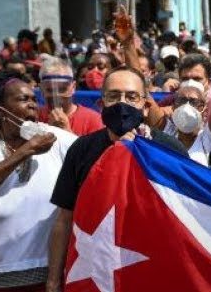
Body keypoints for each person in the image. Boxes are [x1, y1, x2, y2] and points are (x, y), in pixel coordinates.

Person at [46, 67, 184, 292]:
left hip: (154, 273)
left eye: (131, 97)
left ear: (146, 105)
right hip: (98, 274)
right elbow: (64, 219)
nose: (122, 104)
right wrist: (53, 282)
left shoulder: (169, 151)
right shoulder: (81, 149)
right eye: (113, 96)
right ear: (101, 104)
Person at [0, 70, 72, 291]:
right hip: (2, 272)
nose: (33, 105)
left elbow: (93, 156)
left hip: (53, 270)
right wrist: (26, 150)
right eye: (24, 99)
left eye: (34, 99)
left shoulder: (55, 137)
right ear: (1, 112)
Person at [37, 58, 103, 137]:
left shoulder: (94, 120)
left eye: (62, 89)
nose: (56, 95)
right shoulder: (35, 116)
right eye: (49, 90)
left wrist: (66, 131)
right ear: (41, 89)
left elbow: (96, 149)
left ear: (73, 87)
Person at [162, 82, 211, 166]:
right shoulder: (167, 134)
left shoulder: (209, 139)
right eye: (181, 101)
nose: (187, 106)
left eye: (194, 102)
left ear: (204, 110)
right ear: (173, 107)